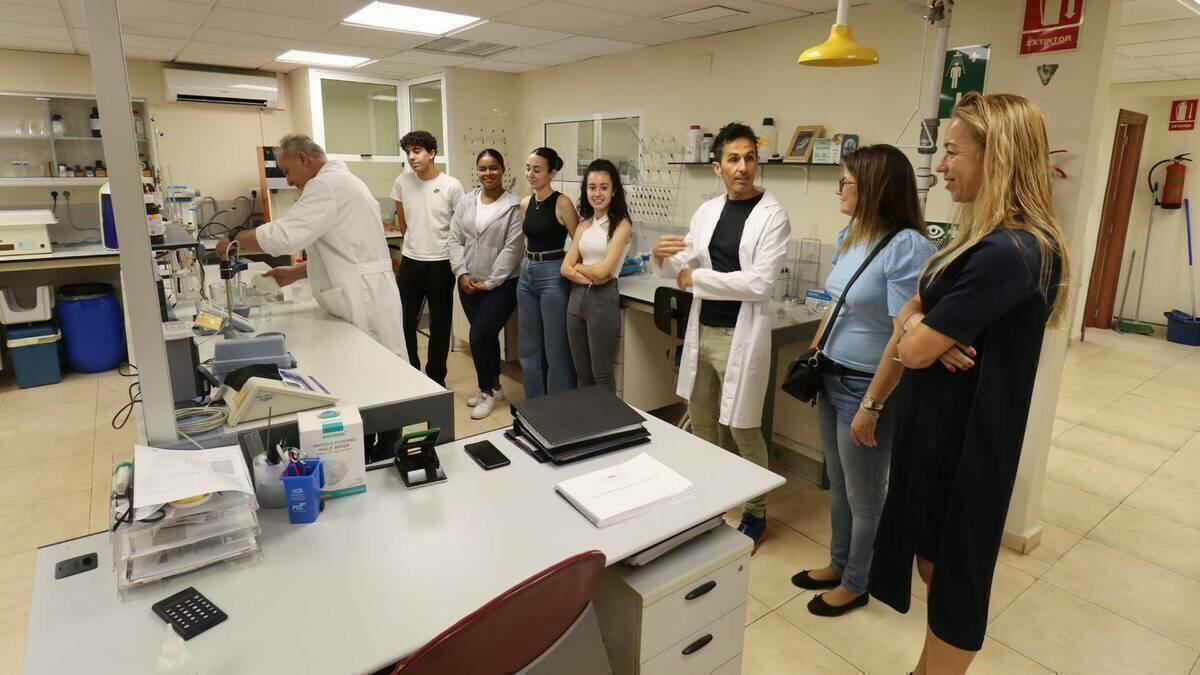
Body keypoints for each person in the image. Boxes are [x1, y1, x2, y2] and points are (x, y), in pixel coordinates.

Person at [869, 92, 1070, 674]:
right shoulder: (988, 242)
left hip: (967, 446)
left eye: (954, 151)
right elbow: (912, 314)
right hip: (943, 437)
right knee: (934, 563)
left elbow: (910, 346)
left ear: (997, 155)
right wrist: (918, 325)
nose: (941, 165)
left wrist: (916, 333)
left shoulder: (1011, 251)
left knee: (956, 578)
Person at [789, 145, 936, 618]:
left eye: (846, 182)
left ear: (873, 189)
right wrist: (815, 354)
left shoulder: (907, 246)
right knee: (840, 483)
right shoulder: (853, 234)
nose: (839, 190)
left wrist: (873, 404)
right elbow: (837, 304)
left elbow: (904, 332)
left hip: (868, 386)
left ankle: (857, 582)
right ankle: (838, 564)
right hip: (833, 375)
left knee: (866, 493)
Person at [651, 122, 791, 552]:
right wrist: (664, 257)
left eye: (750, 157)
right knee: (704, 421)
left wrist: (695, 277)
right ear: (717, 166)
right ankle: (713, 498)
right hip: (703, 330)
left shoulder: (773, 215)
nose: (743, 166)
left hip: (741, 336)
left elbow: (759, 284)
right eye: (733, 159)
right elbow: (684, 263)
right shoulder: (708, 211)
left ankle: (756, 513)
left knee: (744, 428)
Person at [216, 134, 405, 358]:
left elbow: (283, 237)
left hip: (362, 295)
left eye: (286, 171)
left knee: (377, 366)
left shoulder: (326, 185)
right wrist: (295, 273)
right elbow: (344, 251)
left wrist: (235, 239)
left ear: (303, 158)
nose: (287, 181)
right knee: (377, 362)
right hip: (366, 289)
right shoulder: (340, 181)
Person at [447, 149, 523, 420]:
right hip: (468, 282)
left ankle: (486, 392)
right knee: (485, 337)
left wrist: (490, 282)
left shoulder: (513, 206)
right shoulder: (467, 201)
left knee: (478, 336)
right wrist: (461, 273)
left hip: (501, 286)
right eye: (482, 168)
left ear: (503, 170)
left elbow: (513, 249)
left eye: (493, 168)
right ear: (476, 171)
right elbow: (454, 239)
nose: (487, 173)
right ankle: (496, 387)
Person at [392, 130, 465, 386]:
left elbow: (459, 229)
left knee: (440, 326)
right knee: (403, 321)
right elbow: (403, 224)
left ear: (431, 153)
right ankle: (410, 372)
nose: (412, 157)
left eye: (417, 151)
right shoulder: (402, 182)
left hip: (442, 263)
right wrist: (416, 244)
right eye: (408, 152)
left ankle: (436, 377)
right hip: (411, 261)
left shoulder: (451, 185)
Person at [562, 159, 632, 391]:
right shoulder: (583, 226)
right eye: (592, 187)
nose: (597, 193)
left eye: (604, 187)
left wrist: (579, 268)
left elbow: (604, 271)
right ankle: (587, 424)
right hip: (576, 300)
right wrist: (587, 273)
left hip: (602, 300)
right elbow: (565, 268)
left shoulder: (621, 226)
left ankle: (608, 425)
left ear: (614, 191)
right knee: (582, 372)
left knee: (601, 373)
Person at [518, 147, 579, 398]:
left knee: (556, 347)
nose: (531, 174)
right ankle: (534, 404)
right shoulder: (525, 203)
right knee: (529, 346)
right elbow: (526, 240)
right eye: (528, 168)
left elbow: (579, 241)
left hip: (553, 273)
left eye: (537, 170)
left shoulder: (562, 202)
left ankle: (561, 407)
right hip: (527, 273)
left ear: (552, 173)